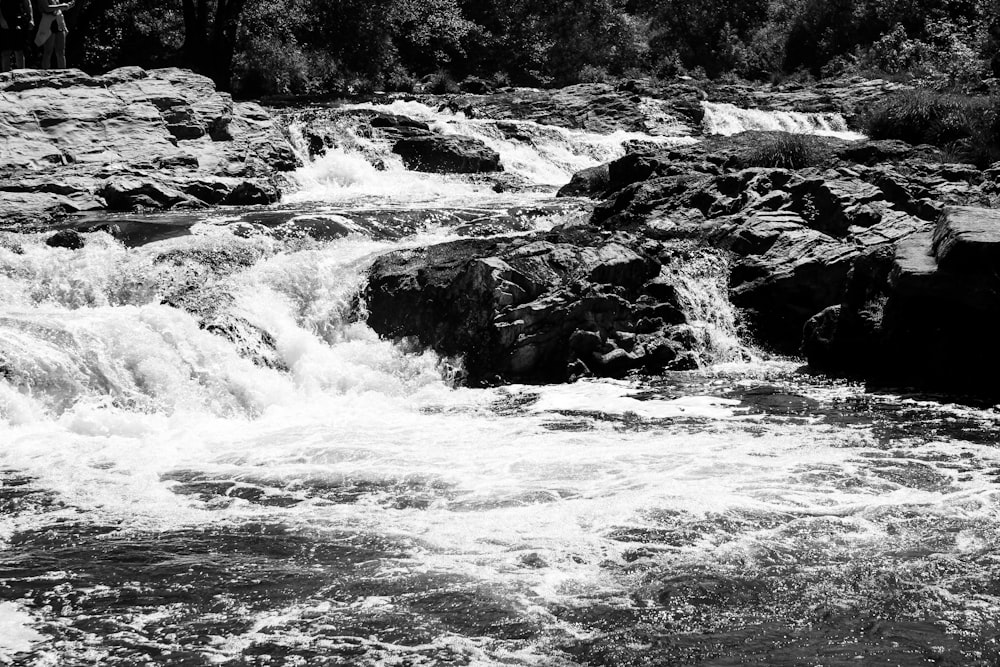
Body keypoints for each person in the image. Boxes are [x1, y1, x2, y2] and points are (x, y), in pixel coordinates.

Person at [35, 0, 73, 69]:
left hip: (59, 24)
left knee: (61, 52)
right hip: (48, 25)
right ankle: (45, 72)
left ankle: (63, 73)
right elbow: (47, 8)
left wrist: (64, 27)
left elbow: (58, 12)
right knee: (48, 51)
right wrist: (62, 6)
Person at [0, 0, 34, 72]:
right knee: (6, 51)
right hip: (5, 19)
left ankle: (21, 75)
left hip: (19, 19)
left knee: (19, 51)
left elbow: (27, 2)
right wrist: (1, 19)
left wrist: (31, 19)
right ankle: (5, 76)